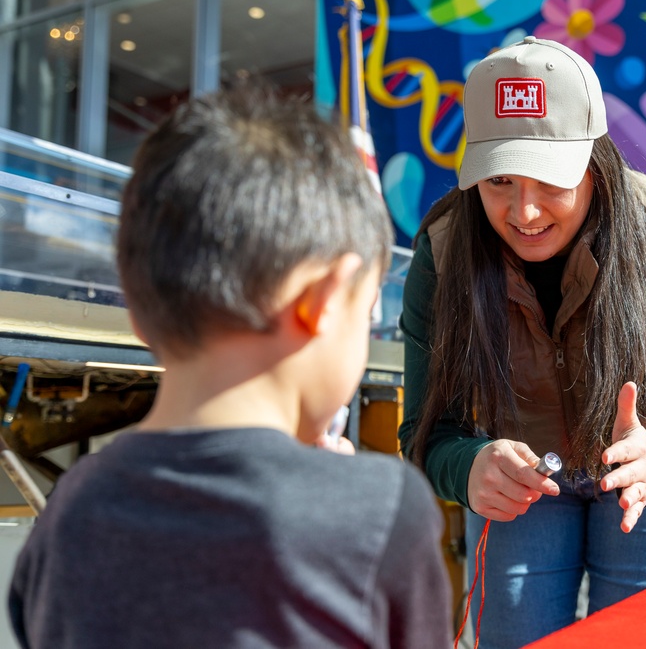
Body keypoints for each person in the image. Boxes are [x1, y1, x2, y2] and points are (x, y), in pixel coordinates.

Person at [7, 86, 452, 649]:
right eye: (365, 316)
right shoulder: (380, 511)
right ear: (325, 298)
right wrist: (342, 488)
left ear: (140, 313)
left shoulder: (70, 511)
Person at [398, 36, 646, 647]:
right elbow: (425, 434)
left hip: (643, 477)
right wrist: (468, 466)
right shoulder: (444, 252)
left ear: (594, 163)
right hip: (522, 484)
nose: (524, 212)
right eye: (498, 180)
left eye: (549, 178)